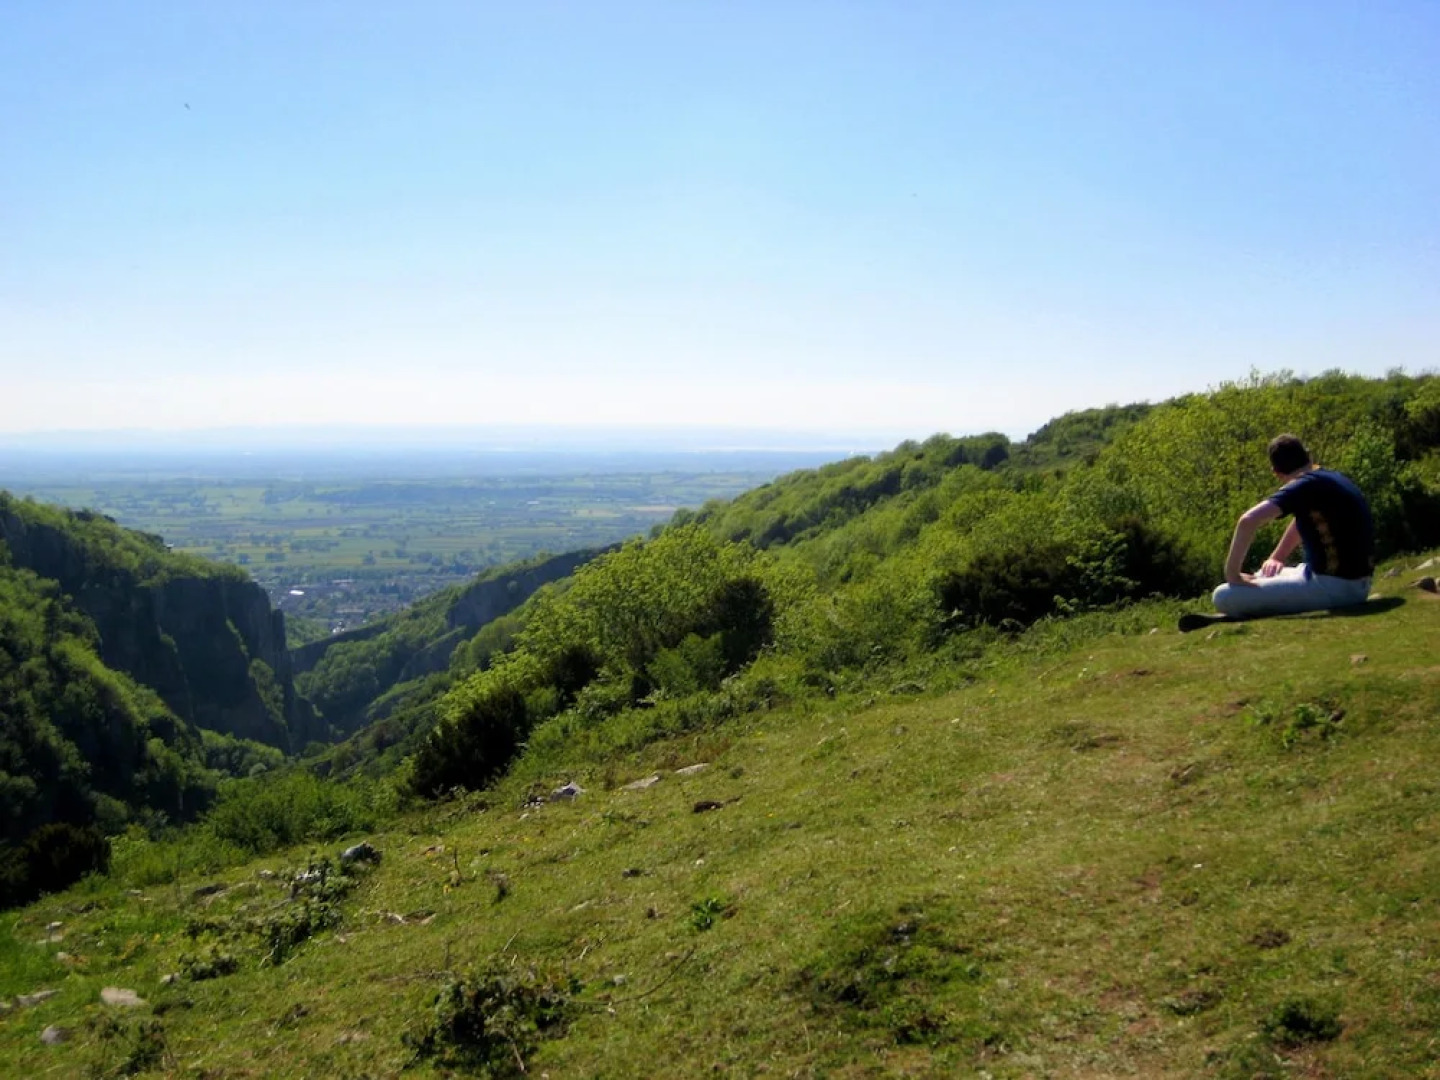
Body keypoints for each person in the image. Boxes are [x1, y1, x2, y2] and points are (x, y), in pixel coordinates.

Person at [1182, 434, 1374, 630]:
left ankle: (1247, 608)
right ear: (1308, 455)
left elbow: (1248, 521)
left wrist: (1232, 574)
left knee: (1223, 595)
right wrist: (1277, 558)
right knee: (1262, 575)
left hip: (1335, 588)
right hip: (1355, 583)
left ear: (1276, 472)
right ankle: (1257, 602)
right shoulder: (1331, 477)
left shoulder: (1304, 485)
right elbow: (1303, 521)